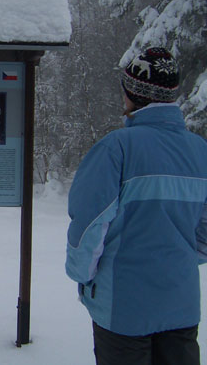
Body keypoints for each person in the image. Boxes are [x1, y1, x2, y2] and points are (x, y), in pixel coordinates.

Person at [65, 47, 207, 365]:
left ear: (132, 93)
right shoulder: (200, 151)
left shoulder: (116, 149)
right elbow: (205, 235)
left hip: (124, 308)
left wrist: (84, 278)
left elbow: (88, 226)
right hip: (181, 304)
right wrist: (177, 263)